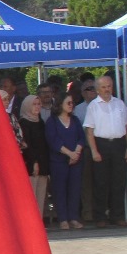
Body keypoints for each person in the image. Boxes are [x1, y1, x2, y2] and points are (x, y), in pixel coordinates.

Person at [83, 76, 127, 227]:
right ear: (97, 89)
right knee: (101, 183)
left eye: (109, 86)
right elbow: (89, 131)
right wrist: (94, 151)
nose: (107, 89)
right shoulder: (93, 106)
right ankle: (100, 217)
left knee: (119, 182)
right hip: (101, 144)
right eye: (104, 87)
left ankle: (117, 215)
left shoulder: (120, 104)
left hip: (118, 144)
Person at [46, 93, 84, 230]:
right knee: (59, 190)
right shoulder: (52, 121)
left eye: (72, 103)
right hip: (59, 161)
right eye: (68, 103)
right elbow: (53, 140)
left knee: (74, 189)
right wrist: (69, 153)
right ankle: (63, 219)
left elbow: (81, 137)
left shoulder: (75, 120)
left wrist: (76, 154)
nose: (71, 105)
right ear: (60, 104)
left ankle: (73, 217)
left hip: (75, 161)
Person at [20, 96, 50, 223]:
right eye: (34, 104)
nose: (37, 106)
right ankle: (31, 222)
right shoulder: (24, 123)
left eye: (39, 104)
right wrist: (34, 162)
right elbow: (27, 145)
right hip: (31, 163)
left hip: (43, 162)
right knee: (31, 195)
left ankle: (38, 221)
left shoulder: (40, 122)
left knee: (41, 194)